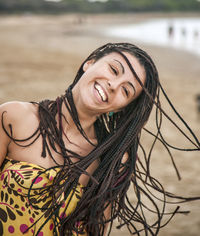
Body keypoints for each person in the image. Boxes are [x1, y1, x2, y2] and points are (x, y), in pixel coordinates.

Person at [0, 42, 199, 236]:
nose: (113, 85)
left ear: (121, 108)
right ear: (90, 62)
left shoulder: (111, 161)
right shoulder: (13, 117)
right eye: (114, 69)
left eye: (126, 90)